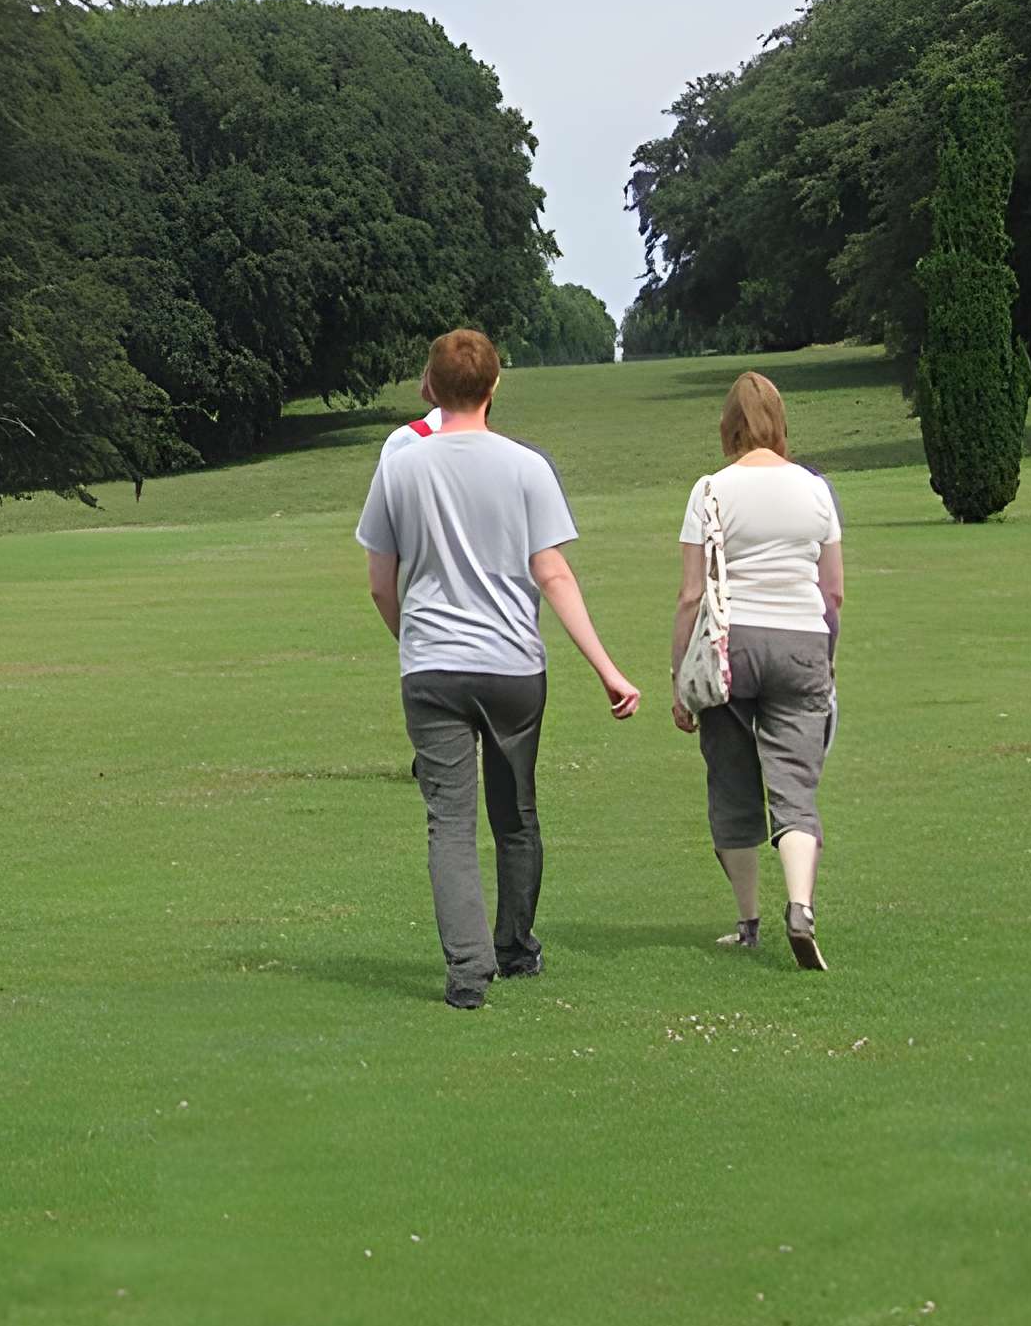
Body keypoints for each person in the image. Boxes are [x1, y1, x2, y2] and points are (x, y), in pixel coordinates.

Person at [358, 328, 644, 1009]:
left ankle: (466, 972)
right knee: (514, 815)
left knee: (448, 825)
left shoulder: (401, 466)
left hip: (431, 668)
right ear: (494, 387)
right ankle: (514, 947)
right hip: (513, 666)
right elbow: (553, 573)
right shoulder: (526, 467)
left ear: (429, 387)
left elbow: (378, 581)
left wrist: (412, 641)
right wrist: (607, 668)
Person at [672, 370, 842, 971]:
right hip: (802, 643)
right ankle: (801, 905)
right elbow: (833, 593)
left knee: (732, 783)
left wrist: (678, 681)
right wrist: (827, 664)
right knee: (794, 784)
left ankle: (748, 922)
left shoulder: (710, 490)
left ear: (730, 426)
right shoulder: (816, 490)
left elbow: (693, 595)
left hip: (731, 647)